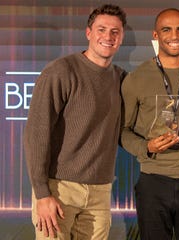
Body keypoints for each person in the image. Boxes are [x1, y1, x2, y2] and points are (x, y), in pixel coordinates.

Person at [24, 4, 127, 239]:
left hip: (100, 193)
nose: (108, 37)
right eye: (101, 29)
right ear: (88, 33)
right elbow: (36, 134)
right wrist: (42, 194)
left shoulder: (121, 78)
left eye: (115, 32)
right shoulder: (61, 71)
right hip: (59, 190)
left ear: (121, 37)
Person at [121, 8, 179, 240]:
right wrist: (146, 148)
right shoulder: (136, 79)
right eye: (166, 29)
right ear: (155, 35)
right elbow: (122, 131)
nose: (174, 35)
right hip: (153, 180)